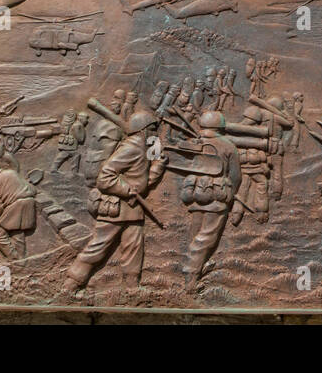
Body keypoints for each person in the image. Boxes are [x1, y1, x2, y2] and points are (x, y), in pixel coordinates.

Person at [66, 110, 166, 294]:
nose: (155, 133)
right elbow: (104, 177)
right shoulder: (132, 148)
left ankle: (132, 288)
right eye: (152, 129)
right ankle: (71, 284)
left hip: (133, 208)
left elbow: (142, 182)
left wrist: (158, 165)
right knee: (98, 246)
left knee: (134, 248)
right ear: (142, 130)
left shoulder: (144, 146)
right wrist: (127, 190)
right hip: (117, 207)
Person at [181, 111, 241, 282]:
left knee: (195, 235)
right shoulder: (228, 146)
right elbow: (235, 176)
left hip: (195, 195)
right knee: (207, 237)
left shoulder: (194, 142)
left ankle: (196, 270)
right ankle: (191, 277)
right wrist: (230, 194)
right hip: (217, 199)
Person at [0, 156, 37, 261]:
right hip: (30, 203)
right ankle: (21, 259)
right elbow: (33, 190)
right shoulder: (13, 173)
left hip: (15, 206)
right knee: (17, 233)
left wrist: (0, 215)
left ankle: (14, 257)